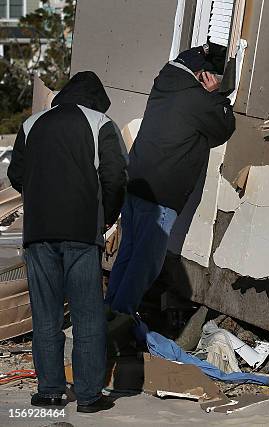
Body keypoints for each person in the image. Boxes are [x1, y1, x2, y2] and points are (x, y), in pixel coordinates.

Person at [8, 71, 128, 412]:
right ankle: (89, 397)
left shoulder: (31, 125)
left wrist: (42, 195)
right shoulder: (100, 124)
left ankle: (49, 392)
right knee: (87, 315)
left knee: (46, 316)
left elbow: (16, 175)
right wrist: (107, 214)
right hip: (80, 231)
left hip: (38, 232)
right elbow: (116, 175)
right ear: (96, 100)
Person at [105, 45, 236, 315]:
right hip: (161, 196)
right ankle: (121, 319)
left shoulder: (163, 88)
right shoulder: (196, 99)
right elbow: (223, 128)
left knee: (127, 254)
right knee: (146, 263)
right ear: (200, 75)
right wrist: (216, 96)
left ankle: (109, 312)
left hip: (136, 184)